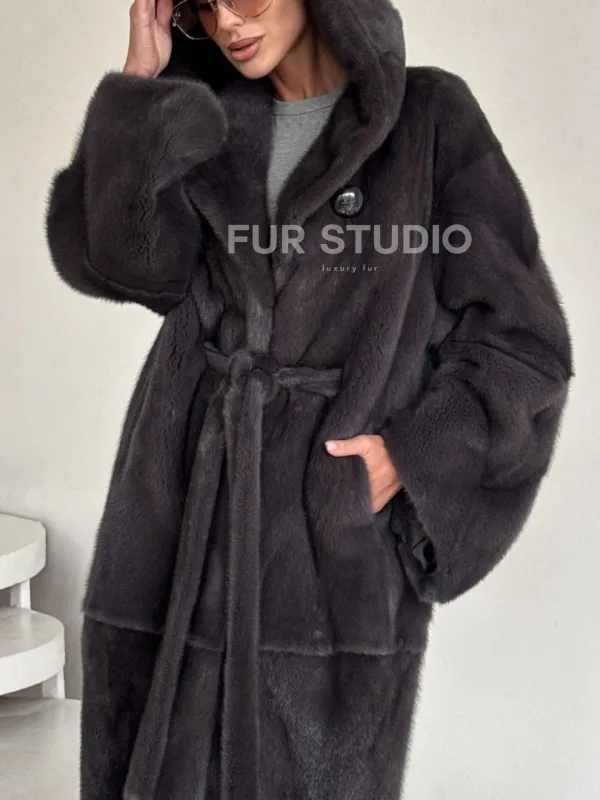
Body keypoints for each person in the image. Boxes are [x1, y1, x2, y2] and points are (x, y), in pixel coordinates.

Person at [44, 0, 574, 797]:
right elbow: (125, 267)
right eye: (204, 5)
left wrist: (412, 459)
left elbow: (525, 343)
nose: (229, 21)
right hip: (176, 510)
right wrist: (141, 87)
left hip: (324, 545)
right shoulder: (203, 120)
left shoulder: (430, 121)